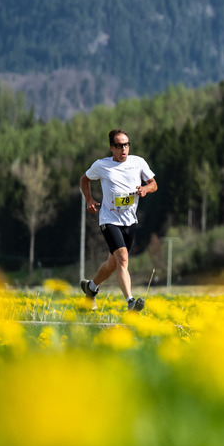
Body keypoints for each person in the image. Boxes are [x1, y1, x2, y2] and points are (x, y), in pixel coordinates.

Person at [79, 129, 157, 312]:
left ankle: (90, 288)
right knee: (123, 259)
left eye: (127, 144)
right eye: (120, 145)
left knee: (113, 264)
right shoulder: (101, 165)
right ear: (112, 147)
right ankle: (130, 302)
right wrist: (89, 200)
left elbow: (154, 184)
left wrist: (146, 189)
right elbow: (84, 180)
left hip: (129, 221)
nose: (124, 148)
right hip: (108, 219)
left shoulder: (138, 162)